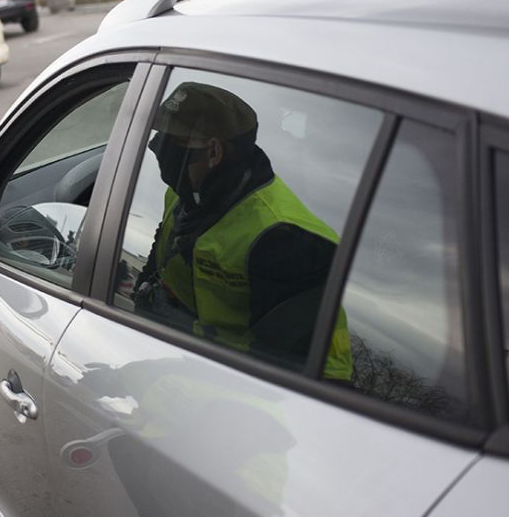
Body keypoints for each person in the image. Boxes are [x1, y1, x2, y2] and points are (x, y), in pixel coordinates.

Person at [133, 83, 352, 381]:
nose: (158, 147)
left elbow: (275, 369)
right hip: (202, 359)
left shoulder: (284, 239)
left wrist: (155, 374)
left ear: (213, 151)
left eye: (172, 141)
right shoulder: (185, 194)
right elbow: (162, 255)